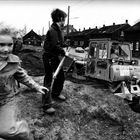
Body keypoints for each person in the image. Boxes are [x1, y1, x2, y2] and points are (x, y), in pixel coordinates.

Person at [0, 28, 49, 140]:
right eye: (1, 45)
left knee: (7, 131)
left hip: (6, 99)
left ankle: (23, 131)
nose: (6, 49)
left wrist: (36, 86)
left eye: (9, 45)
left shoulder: (14, 61)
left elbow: (22, 76)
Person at [42, 8, 68, 114]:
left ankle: (56, 93)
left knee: (61, 76)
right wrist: (63, 51)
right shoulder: (52, 30)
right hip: (49, 57)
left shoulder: (58, 30)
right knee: (48, 78)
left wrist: (65, 46)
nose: (64, 22)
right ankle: (46, 105)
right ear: (60, 18)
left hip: (55, 57)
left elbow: (59, 43)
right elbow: (54, 45)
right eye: (64, 19)